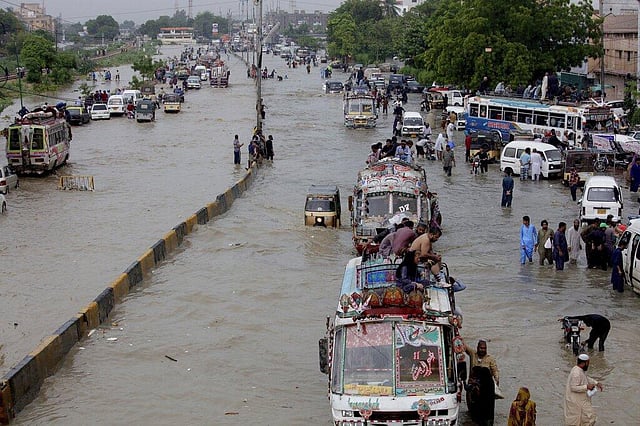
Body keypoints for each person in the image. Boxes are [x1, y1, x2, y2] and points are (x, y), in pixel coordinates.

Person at [564, 354, 603, 426]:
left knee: (587, 418)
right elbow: (573, 387)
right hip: (576, 402)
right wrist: (586, 387)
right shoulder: (576, 373)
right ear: (584, 363)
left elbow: (586, 378)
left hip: (581, 400)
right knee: (587, 418)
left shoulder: (578, 370)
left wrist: (596, 383)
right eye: (588, 363)